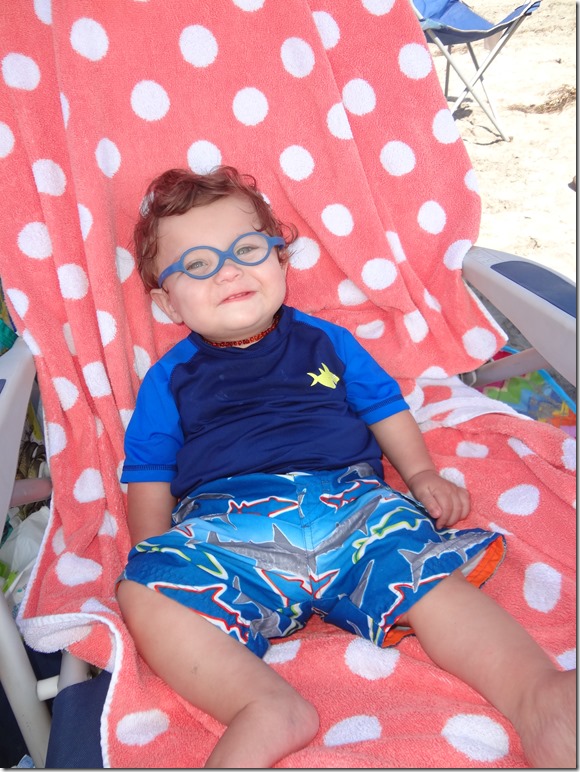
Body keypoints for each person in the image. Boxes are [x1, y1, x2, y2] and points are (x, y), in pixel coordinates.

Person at [117, 166, 576, 769]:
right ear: (164, 301)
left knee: (427, 581)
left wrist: (420, 475)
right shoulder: (169, 379)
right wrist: (158, 558)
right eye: (198, 265)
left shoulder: (327, 343)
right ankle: (262, 704)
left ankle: (537, 695)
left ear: (282, 259)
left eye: (247, 250)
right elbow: (149, 473)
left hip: (354, 510)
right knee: (142, 590)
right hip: (230, 528)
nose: (228, 271)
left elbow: (384, 408)